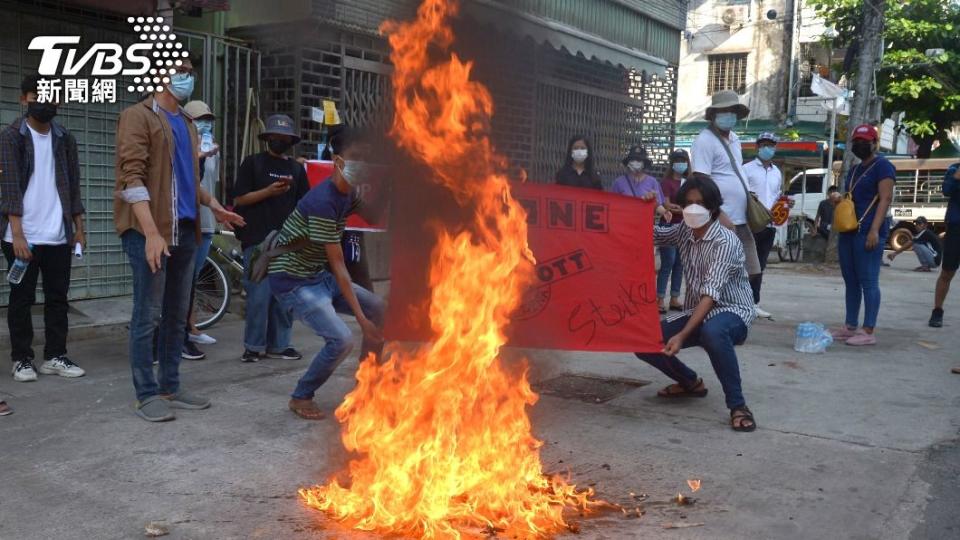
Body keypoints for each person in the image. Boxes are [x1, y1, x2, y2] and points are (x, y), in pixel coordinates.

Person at [115, 56, 245, 422]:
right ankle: (146, 394)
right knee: (148, 315)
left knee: (175, 315)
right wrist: (152, 234)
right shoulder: (137, 117)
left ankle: (170, 384)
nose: (186, 76)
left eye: (189, 71)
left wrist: (216, 206)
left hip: (186, 229)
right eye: (179, 70)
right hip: (150, 232)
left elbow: (189, 181)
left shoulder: (187, 123)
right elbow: (132, 179)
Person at [267, 128, 385, 420]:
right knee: (342, 339)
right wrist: (361, 320)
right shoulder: (322, 202)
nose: (363, 165)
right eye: (356, 158)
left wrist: (391, 187)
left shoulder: (348, 194)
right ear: (337, 161)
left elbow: (374, 216)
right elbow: (339, 267)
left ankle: (366, 384)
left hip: (317, 276)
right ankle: (301, 395)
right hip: (293, 280)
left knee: (381, 311)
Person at [634, 175, 757, 432]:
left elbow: (710, 296)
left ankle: (738, 405)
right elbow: (649, 235)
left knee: (713, 331)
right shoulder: (683, 231)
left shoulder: (726, 241)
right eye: (688, 203)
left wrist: (681, 335)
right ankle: (690, 383)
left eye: (700, 203)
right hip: (695, 310)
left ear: (712, 207)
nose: (693, 209)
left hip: (731, 310)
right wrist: (646, 207)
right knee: (643, 340)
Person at [1, 75, 86, 383]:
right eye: (39, 95)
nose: (47, 102)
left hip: (58, 234)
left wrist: (79, 227)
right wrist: (19, 235)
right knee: (21, 299)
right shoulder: (12, 136)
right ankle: (22, 359)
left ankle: (55, 356)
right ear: (25, 98)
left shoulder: (65, 138)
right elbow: (10, 189)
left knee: (57, 298)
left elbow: (73, 186)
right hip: (21, 236)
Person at [233, 114, 310, 363]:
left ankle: (280, 344)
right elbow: (239, 200)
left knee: (285, 297)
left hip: (288, 241)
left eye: (285, 137)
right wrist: (267, 192)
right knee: (258, 295)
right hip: (257, 239)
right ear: (268, 138)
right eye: (276, 136)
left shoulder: (297, 170)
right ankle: (253, 346)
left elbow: (304, 204)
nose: (280, 140)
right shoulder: (252, 164)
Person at [690, 90, 762, 289]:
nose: (729, 115)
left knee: (750, 272)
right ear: (713, 115)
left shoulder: (735, 139)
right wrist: (718, 213)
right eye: (724, 111)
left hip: (740, 218)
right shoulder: (704, 140)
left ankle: (739, 307)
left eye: (732, 111)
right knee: (718, 273)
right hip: (720, 220)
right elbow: (700, 182)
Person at [831, 124, 894, 346]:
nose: (859, 144)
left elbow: (885, 199)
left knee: (868, 280)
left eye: (864, 141)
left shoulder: (883, 166)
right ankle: (850, 326)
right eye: (856, 141)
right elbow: (853, 198)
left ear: (874, 143)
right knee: (851, 280)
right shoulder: (855, 169)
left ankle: (868, 330)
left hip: (868, 230)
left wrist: (875, 230)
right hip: (849, 229)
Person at [180, 99, 221, 360]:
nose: (205, 124)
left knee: (192, 281)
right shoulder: (181, 146)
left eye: (208, 119)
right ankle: (179, 334)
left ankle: (191, 328)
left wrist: (220, 212)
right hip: (187, 222)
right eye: (200, 119)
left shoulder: (213, 147)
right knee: (182, 281)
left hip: (206, 222)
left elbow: (211, 186)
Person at [744, 132, 783, 319]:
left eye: (771, 145)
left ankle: (754, 302)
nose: (768, 148)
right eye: (764, 145)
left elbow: (776, 196)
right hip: (750, 223)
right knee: (745, 264)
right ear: (757, 147)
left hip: (769, 224)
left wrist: (785, 204)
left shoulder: (777, 172)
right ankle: (741, 301)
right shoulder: (747, 169)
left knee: (760, 265)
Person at [656, 149, 688, 313]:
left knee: (680, 264)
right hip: (667, 226)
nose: (681, 163)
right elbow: (667, 206)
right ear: (672, 163)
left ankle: (674, 298)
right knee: (668, 262)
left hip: (684, 227)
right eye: (678, 160)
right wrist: (683, 209)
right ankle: (660, 298)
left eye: (683, 160)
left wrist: (679, 209)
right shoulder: (666, 183)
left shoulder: (687, 182)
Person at [929, 162, 960, 327]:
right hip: (956, 227)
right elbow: (946, 191)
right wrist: (957, 177)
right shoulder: (954, 169)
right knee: (947, 272)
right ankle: (937, 310)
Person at [610, 145, 670, 219]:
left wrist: (665, 212)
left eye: (638, 160)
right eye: (632, 160)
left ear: (644, 163)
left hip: (644, 222)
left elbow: (657, 205)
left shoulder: (652, 182)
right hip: (624, 223)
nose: (635, 162)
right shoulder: (618, 182)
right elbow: (612, 205)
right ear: (628, 163)